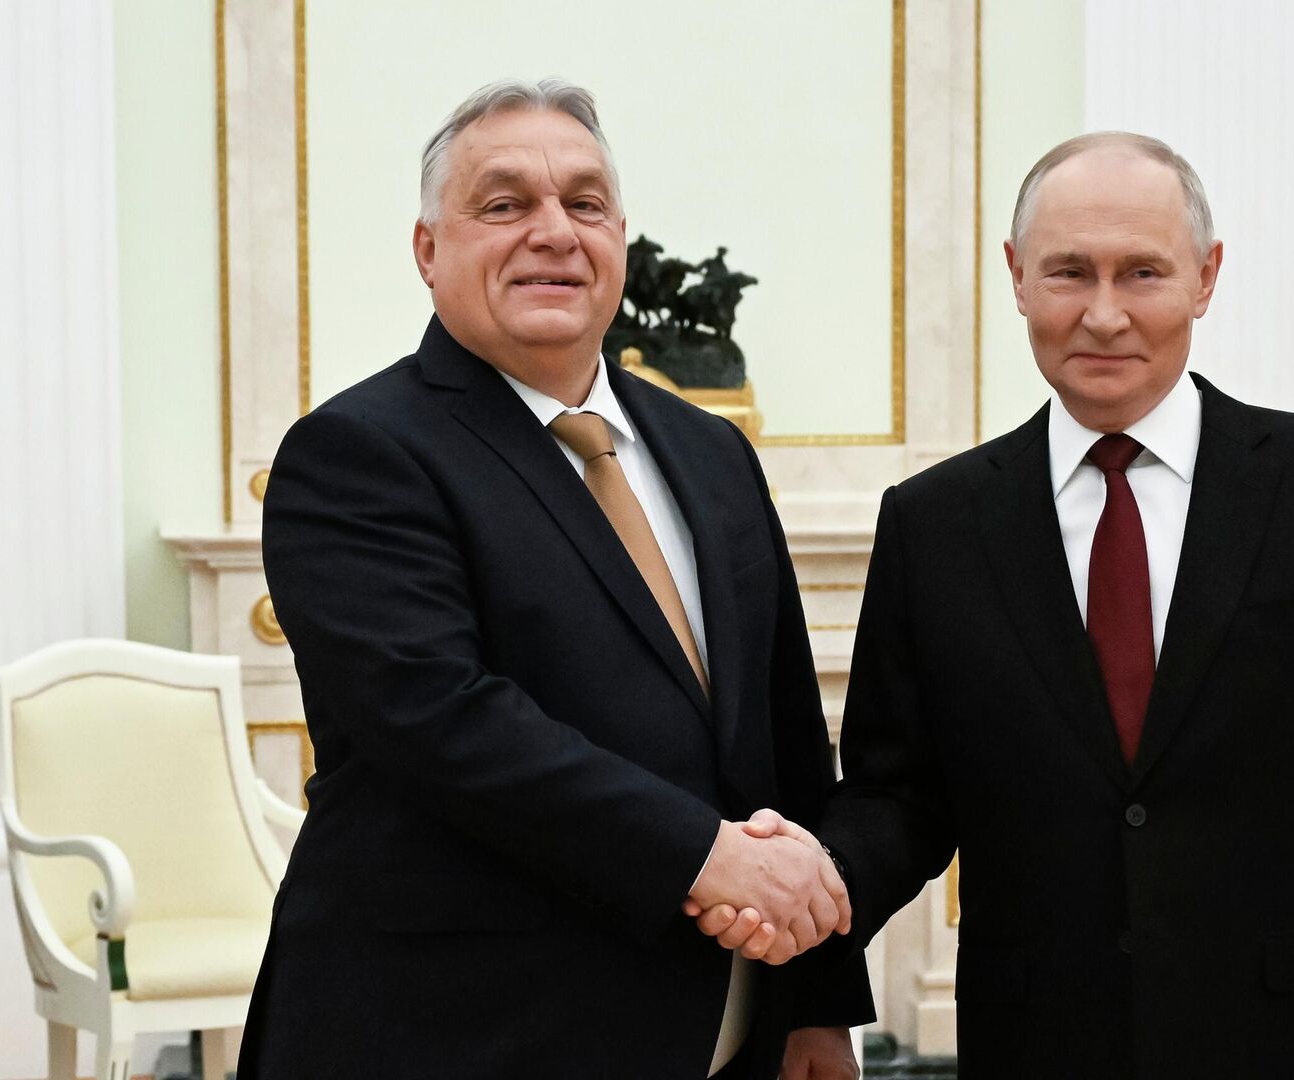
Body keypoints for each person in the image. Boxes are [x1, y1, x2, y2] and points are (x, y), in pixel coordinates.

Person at [702, 132, 1294, 1076]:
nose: (1103, 315)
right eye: (1070, 272)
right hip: (1039, 1043)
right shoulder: (936, 524)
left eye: (1142, 273)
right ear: (1018, 277)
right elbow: (898, 795)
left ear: (1206, 277)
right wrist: (811, 884)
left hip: (1290, 1044)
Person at [236, 79, 870, 1080]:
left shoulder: (711, 451)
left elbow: (783, 731)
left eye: (584, 204)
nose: (552, 233)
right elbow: (446, 723)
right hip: (461, 1036)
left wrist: (818, 1005)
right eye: (503, 205)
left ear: (620, 235)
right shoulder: (357, 453)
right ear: (427, 251)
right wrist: (705, 856)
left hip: (725, 1036)